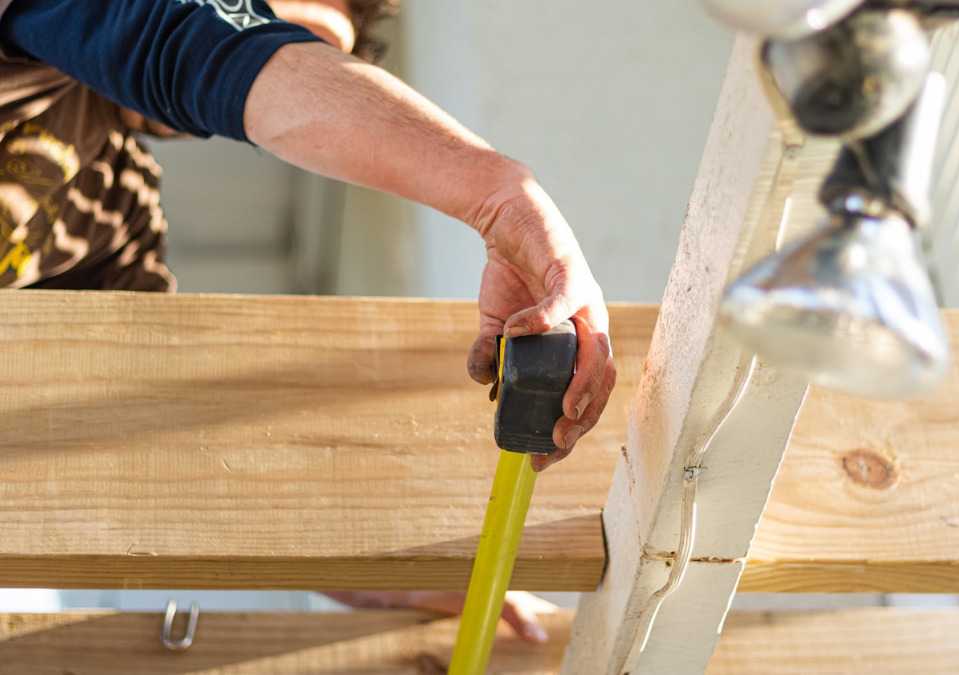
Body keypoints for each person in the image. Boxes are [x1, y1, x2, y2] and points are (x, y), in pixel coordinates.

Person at [0, 0, 616, 642]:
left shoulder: (107, 208)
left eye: (317, 54)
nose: (261, 46)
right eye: (257, 17)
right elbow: (189, 43)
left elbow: (152, 435)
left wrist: (371, 568)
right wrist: (498, 196)